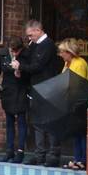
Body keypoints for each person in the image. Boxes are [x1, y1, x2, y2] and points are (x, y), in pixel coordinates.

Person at [13, 19, 64, 167]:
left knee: (50, 122)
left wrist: (21, 66)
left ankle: (53, 155)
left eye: (30, 35)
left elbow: (38, 66)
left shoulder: (48, 45)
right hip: (36, 88)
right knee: (37, 122)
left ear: (38, 30)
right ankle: (39, 154)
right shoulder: (34, 46)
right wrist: (19, 66)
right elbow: (29, 63)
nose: (29, 38)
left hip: (48, 88)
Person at [0, 36, 28, 163]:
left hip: (21, 89)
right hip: (7, 90)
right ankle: (9, 151)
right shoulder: (2, 54)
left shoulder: (26, 55)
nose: (14, 53)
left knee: (22, 121)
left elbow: (31, 71)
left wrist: (20, 70)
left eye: (16, 51)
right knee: (9, 121)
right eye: (12, 50)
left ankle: (20, 151)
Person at [58, 39, 88, 170]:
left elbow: (78, 84)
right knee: (75, 133)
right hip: (70, 102)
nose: (60, 54)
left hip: (79, 103)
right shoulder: (68, 63)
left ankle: (82, 160)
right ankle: (77, 158)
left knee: (80, 132)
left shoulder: (79, 63)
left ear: (69, 52)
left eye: (62, 52)